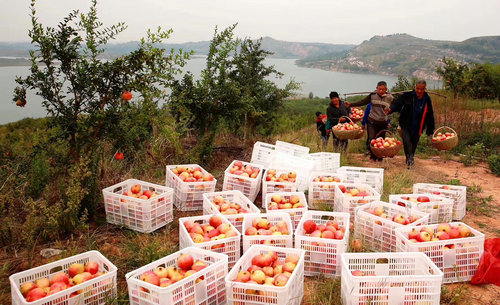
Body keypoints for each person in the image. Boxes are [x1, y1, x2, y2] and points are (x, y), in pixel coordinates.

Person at [386, 80, 435, 169]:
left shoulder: (427, 99)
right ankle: (410, 159)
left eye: (422, 89)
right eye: (418, 88)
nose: (419, 91)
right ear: (414, 87)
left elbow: (430, 114)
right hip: (406, 124)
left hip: (418, 126)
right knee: (407, 141)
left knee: (414, 143)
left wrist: (430, 129)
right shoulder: (407, 96)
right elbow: (398, 104)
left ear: (425, 89)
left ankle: (410, 156)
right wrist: (390, 109)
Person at [345, 81, 393, 161]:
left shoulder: (390, 97)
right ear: (376, 88)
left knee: (381, 140)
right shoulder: (372, 95)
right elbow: (363, 102)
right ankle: (373, 156)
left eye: (383, 89)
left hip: (383, 122)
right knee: (372, 139)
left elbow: (396, 106)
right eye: (379, 89)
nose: (381, 91)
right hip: (372, 121)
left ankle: (380, 156)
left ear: (386, 89)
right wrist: (351, 104)